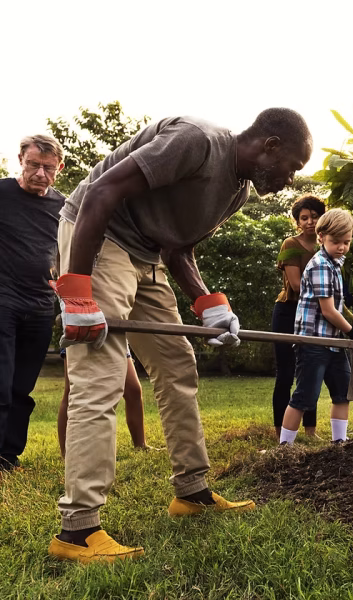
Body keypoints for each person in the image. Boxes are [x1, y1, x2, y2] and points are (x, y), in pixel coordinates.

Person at [47, 108, 313, 564]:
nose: (289, 180)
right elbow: (101, 191)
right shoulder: (197, 141)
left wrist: (209, 304)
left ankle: (191, 491)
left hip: (147, 255)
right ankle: (78, 530)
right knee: (101, 374)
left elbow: (176, 246)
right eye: (291, 166)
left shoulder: (237, 191)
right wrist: (77, 290)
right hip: (99, 236)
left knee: (177, 366)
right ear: (270, 144)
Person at [279, 208, 353, 445]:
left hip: (333, 342)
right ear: (321, 237)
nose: (341, 247)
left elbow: (333, 302)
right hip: (314, 341)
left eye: (346, 242)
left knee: (342, 393)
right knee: (304, 396)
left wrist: (347, 299)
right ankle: (285, 446)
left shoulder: (334, 263)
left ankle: (338, 442)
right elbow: (328, 311)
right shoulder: (321, 264)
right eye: (335, 242)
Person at [0, 135, 65, 473]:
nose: (41, 173)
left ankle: (9, 458)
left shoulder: (64, 207)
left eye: (48, 168)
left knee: (23, 387)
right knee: (1, 381)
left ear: (60, 167)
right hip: (3, 301)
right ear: (21, 160)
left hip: (41, 305)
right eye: (34, 165)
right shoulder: (3, 194)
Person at [272, 195, 326, 438]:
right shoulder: (290, 244)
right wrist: (327, 297)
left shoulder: (328, 246)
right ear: (297, 222)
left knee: (311, 371)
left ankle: (310, 431)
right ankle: (279, 431)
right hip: (288, 311)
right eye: (304, 218)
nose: (310, 222)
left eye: (314, 217)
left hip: (316, 313)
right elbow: (295, 285)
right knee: (285, 373)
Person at [58, 345, 149, 456]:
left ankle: (140, 445)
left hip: (115, 338)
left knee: (133, 390)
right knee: (71, 391)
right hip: (82, 334)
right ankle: (65, 453)